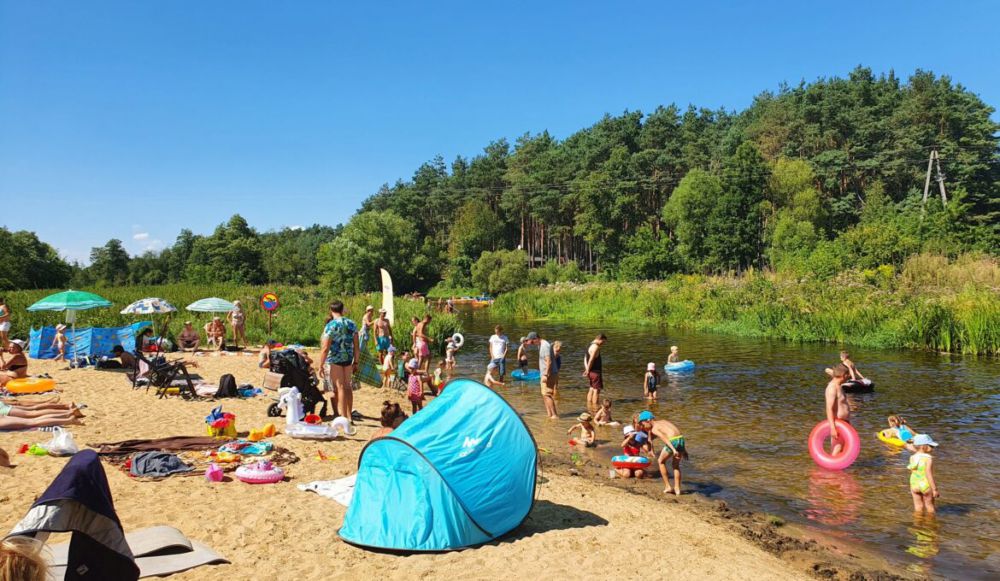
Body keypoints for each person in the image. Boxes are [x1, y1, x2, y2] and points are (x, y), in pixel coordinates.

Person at [317, 300, 359, 422]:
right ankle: (349, 416)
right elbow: (357, 346)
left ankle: (344, 417)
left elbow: (325, 348)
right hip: (348, 359)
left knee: (340, 387)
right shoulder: (352, 324)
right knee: (348, 387)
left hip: (335, 359)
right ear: (342, 309)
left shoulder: (330, 326)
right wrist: (356, 362)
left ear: (331, 310)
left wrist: (320, 365)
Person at [639, 411, 688, 495]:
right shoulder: (664, 421)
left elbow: (664, 438)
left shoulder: (654, 429)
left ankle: (668, 486)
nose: (643, 428)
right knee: (675, 465)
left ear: (648, 420)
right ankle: (677, 489)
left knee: (660, 461)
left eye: (643, 425)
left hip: (673, 441)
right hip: (681, 439)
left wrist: (673, 449)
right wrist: (684, 450)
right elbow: (676, 432)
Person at [907, 434, 940, 513]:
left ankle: (917, 524)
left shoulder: (912, 457)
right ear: (923, 446)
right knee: (930, 507)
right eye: (931, 446)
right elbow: (929, 474)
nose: (933, 448)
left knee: (918, 507)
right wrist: (934, 489)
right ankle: (930, 524)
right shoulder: (928, 458)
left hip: (914, 484)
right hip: (925, 485)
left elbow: (912, 471)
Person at [824, 364, 851, 455]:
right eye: (848, 375)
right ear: (844, 375)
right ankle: (831, 468)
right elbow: (829, 409)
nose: (849, 377)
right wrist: (832, 428)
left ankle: (839, 469)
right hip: (838, 423)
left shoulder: (838, 384)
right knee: (837, 449)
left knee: (844, 449)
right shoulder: (832, 388)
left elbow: (834, 374)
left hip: (845, 422)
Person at [583, 333, 606, 406]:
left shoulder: (589, 345)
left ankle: (589, 406)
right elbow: (591, 359)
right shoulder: (595, 347)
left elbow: (585, 358)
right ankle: (595, 407)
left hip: (590, 372)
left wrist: (587, 369)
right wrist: (587, 370)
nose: (603, 344)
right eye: (603, 342)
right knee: (596, 390)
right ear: (600, 339)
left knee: (591, 388)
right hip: (595, 372)